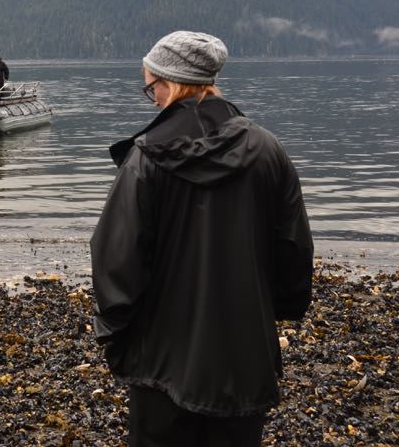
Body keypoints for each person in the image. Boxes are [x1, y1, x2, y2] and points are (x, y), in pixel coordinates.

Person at [91, 31, 313, 447]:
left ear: (173, 84)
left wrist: (115, 333)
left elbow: (116, 257)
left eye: (152, 88)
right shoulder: (268, 150)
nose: (153, 100)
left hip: (160, 360)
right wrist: (277, 310)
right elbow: (294, 248)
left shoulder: (146, 157)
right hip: (245, 355)